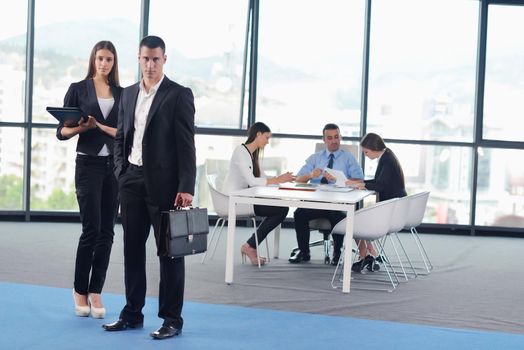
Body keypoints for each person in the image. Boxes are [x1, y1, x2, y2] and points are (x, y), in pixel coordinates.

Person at [102, 36, 196, 340]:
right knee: (131, 251)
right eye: (146, 59)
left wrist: (186, 187)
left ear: (164, 60)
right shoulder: (128, 94)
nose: (151, 64)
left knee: (170, 254)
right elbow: (120, 138)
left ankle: (172, 319)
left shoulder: (178, 95)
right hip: (131, 182)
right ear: (139, 59)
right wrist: (121, 172)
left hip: (167, 188)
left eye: (156, 59)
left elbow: (186, 146)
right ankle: (132, 313)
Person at [56, 40, 122, 319]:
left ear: (114, 62)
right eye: (100, 58)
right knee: (91, 230)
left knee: (108, 232)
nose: (104, 63)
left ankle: (96, 290)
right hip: (88, 164)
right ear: (93, 60)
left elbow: (123, 132)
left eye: (108, 59)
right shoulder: (78, 89)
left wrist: (98, 126)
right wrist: (80, 128)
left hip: (114, 167)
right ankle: (80, 289)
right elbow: (61, 132)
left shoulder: (122, 93)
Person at [289, 123, 363, 265]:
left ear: (340, 137)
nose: (334, 141)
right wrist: (310, 174)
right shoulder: (315, 158)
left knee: (338, 216)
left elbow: (360, 180)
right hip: (315, 203)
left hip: (337, 204)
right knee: (299, 214)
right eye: (329, 138)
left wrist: (340, 179)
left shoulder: (348, 158)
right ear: (324, 140)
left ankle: (337, 253)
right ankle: (304, 252)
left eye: (336, 137)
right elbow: (298, 178)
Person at [223, 122, 295, 266]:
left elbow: (262, 176)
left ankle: (250, 245)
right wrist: (276, 180)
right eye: (267, 138)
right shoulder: (240, 152)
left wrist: (281, 182)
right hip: (234, 201)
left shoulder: (252, 154)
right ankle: (250, 246)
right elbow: (252, 180)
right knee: (281, 210)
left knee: (281, 207)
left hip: (245, 197)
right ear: (258, 134)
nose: (268, 142)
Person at [346, 132, 407, 272]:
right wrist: (361, 182)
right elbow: (380, 182)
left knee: (354, 223)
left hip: (392, 212)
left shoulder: (387, 160)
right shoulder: (387, 156)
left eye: (366, 152)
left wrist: (362, 185)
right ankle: (370, 256)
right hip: (394, 208)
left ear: (374, 148)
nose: (366, 155)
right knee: (358, 220)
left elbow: (380, 186)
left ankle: (366, 257)